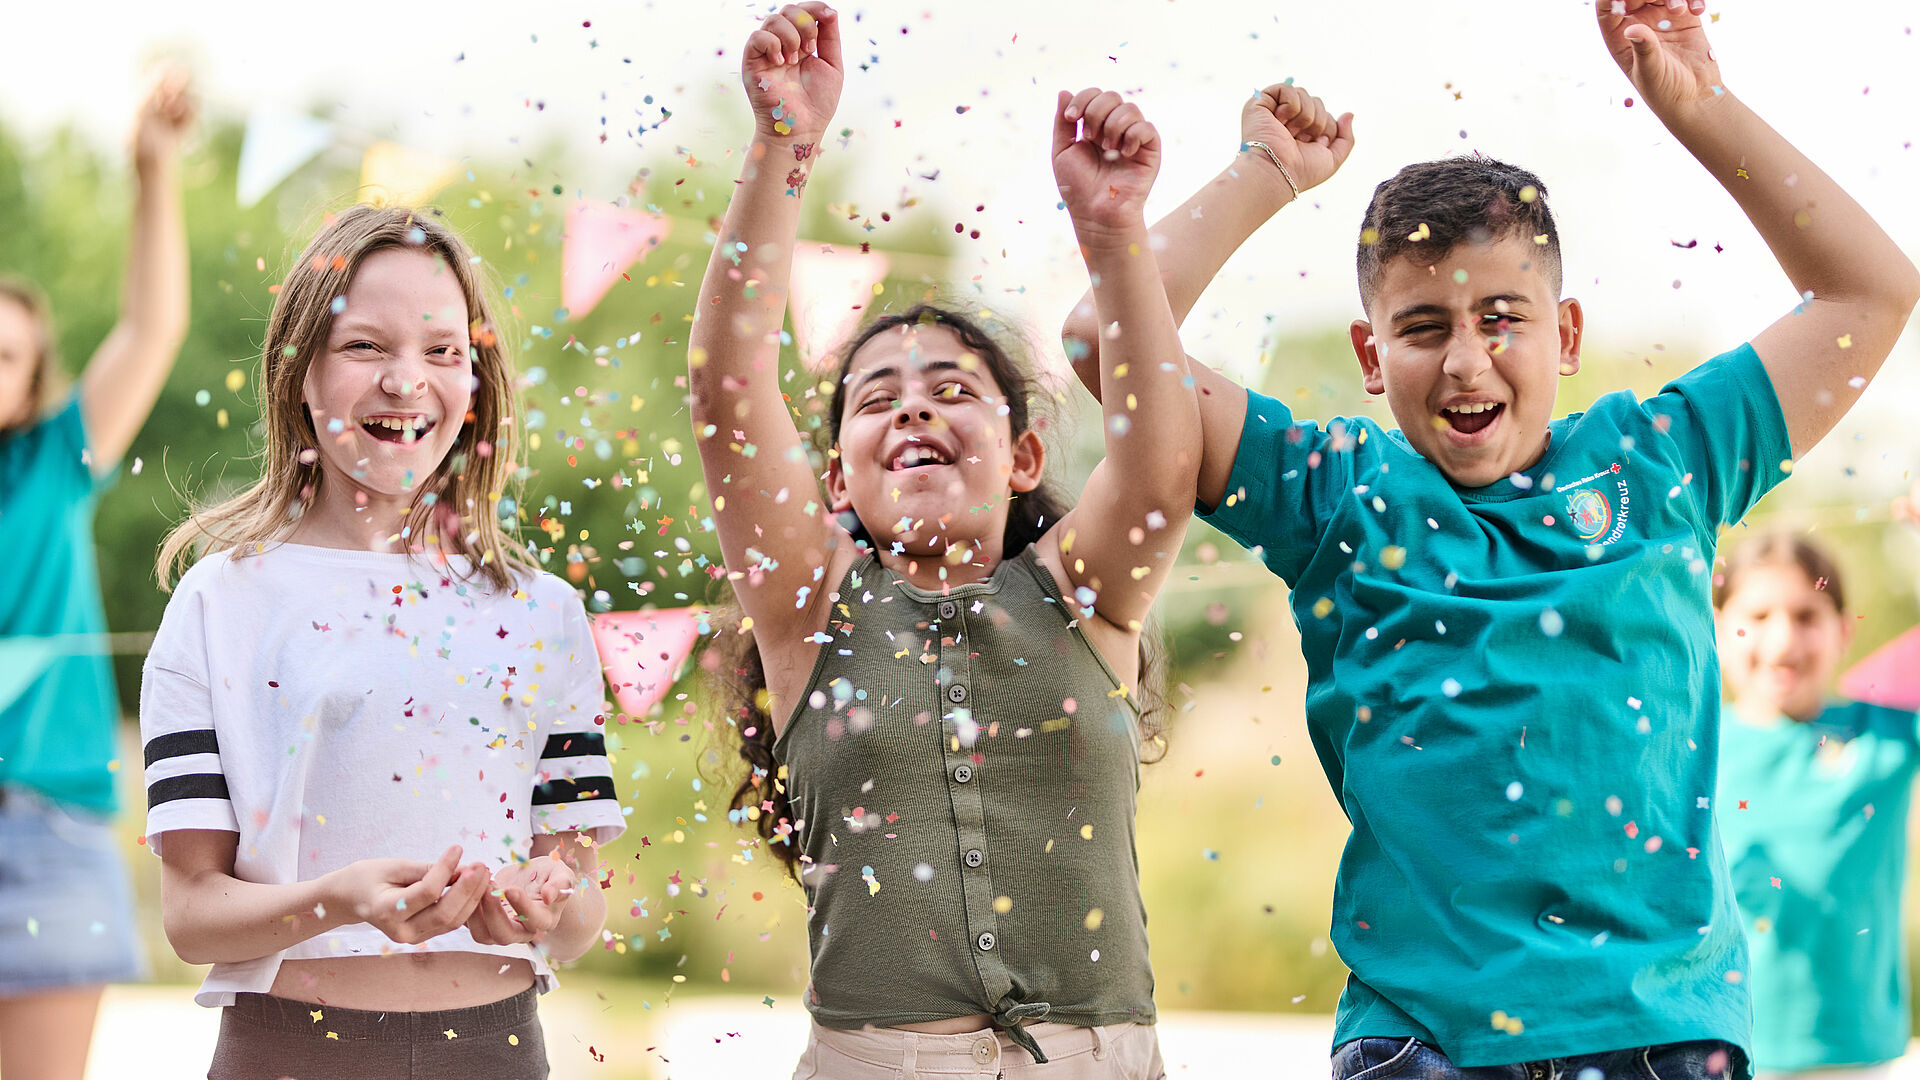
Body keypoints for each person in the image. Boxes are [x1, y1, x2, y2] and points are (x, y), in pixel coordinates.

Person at [1062, 3, 1920, 1077]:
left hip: (1656, 1033)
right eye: (1425, 328)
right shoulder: (1334, 489)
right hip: (1422, 1043)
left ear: (1562, 334)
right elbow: (1105, 343)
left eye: (1501, 318)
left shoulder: (1663, 460)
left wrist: (1698, 107)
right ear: (1373, 355)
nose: (1466, 360)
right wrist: (1264, 173)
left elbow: (1871, 292)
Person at [690, 4, 1197, 1075]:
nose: (914, 410)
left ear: (1020, 458)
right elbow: (727, 388)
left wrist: (1113, 233)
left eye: (953, 389)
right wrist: (783, 144)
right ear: (837, 478)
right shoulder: (807, 608)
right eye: (878, 399)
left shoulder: (1088, 596)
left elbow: (1161, 456)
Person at [139, 204, 623, 1078]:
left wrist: (545, 904)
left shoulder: (542, 611)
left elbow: (582, 909)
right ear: (301, 373)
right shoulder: (220, 603)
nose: (407, 381)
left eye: (443, 353)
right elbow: (190, 915)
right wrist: (333, 901)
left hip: (498, 1051)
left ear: (476, 386)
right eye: (365, 346)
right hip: (289, 1051)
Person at [0, 70, 194, 1080]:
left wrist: (151, 173)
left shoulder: (51, 467)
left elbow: (150, 328)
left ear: (34, 382)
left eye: (4, 355)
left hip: (47, 825)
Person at [1715, 497, 1920, 1080]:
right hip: (1726, 1056)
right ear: (1719, 630)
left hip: (1865, 1061)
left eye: (1806, 617)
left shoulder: (1886, 734)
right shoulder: (1691, 748)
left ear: (1843, 630)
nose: (1782, 642)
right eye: (1756, 618)